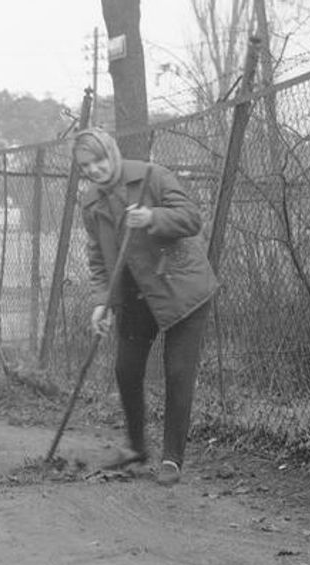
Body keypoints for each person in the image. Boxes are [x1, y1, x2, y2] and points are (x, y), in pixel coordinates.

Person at [74, 127, 219, 486]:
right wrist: (100, 303)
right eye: (86, 165)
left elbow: (191, 217)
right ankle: (137, 448)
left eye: (100, 159)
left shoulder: (152, 176)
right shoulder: (91, 202)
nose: (94, 169)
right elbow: (97, 257)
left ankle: (172, 460)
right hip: (135, 295)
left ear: (113, 152)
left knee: (177, 372)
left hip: (180, 288)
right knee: (126, 368)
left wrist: (154, 217)